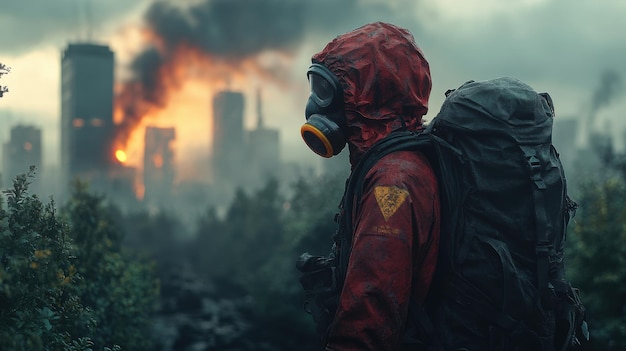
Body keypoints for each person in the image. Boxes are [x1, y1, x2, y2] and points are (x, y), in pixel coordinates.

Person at [299, 21, 441, 350]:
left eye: (326, 91)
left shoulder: (393, 183)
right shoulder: (396, 162)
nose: (315, 105)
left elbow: (368, 319)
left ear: (368, 97)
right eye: (314, 87)